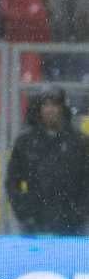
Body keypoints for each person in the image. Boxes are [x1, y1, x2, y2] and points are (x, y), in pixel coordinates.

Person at [7, 88, 89, 235]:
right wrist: (24, 212)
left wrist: (80, 213)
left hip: (72, 225)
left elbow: (86, 180)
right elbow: (12, 182)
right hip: (34, 224)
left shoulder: (79, 142)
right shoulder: (25, 142)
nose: (50, 110)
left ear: (63, 109)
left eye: (55, 104)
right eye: (45, 104)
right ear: (39, 109)